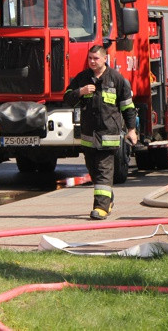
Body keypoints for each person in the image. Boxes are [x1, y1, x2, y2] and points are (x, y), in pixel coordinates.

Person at [64, 45, 138, 220]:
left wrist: (131, 130)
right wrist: (79, 92)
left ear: (105, 59)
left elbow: (128, 107)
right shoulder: (82, 78)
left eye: (96, 58)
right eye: (90, 58)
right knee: (94, 171)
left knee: (104, 171)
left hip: (109, 136)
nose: (92, 61)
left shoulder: (116, 79)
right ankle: (108, 199)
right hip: (89, 137)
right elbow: (66, 99)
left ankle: (101, 208)